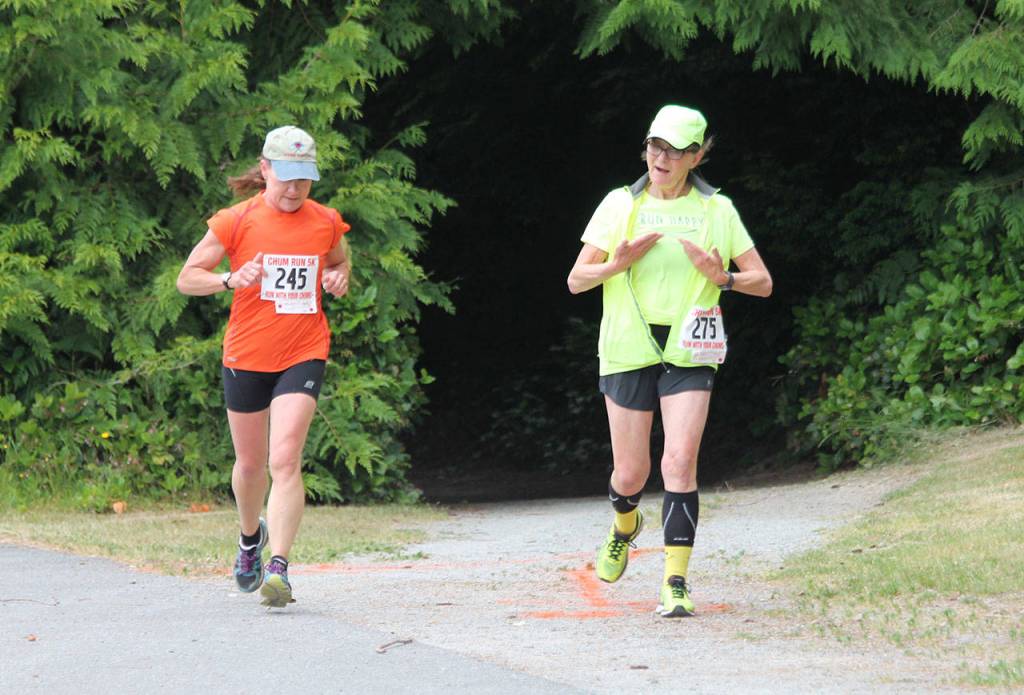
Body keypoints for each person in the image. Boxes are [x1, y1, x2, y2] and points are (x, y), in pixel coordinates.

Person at [567, 105, 772, 617]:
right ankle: (624, 525)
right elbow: (576, 280)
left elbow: (763, 283)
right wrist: (618, 263)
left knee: (679, 462)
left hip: (690, 350)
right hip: (627, 346)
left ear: (697, 156)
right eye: (656, 146)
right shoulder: (621, 205)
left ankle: (675, 583)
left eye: (676, 150)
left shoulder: (716, 211)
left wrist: (722, 276)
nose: (661, 157)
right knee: (631, 473)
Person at [177, 125, 351, 607]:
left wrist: (338, 277)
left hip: (303, 349)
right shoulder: (235, 221)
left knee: (285, 459)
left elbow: (338, 263)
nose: (295, 189)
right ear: (266, 169)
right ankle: (250, 538)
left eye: (305, 179)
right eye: (286, 178)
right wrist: (231, 278)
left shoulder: (325, 221)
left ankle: (279, 567)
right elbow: (187, 279)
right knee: (251, 466)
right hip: (247, 355)